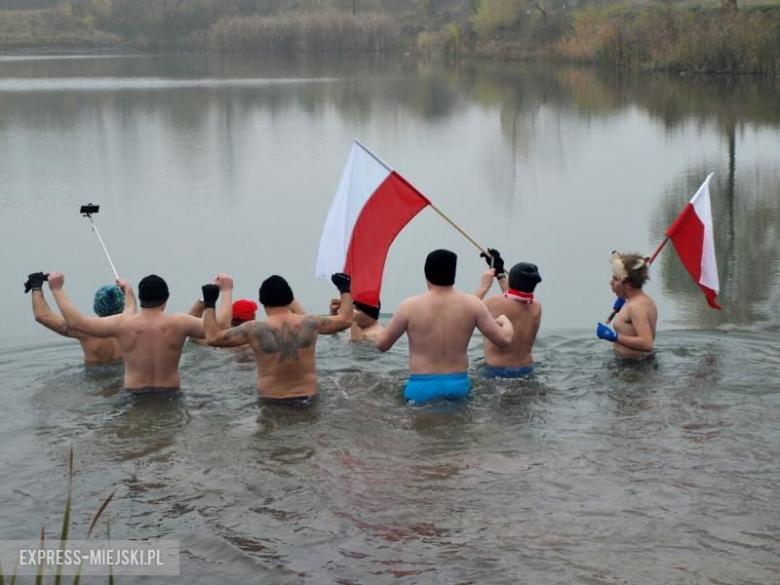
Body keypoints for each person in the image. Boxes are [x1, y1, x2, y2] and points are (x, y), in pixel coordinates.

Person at [49, 272, 232, 391]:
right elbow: (220, 327)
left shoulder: (123, 324)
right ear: (166, 299)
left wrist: (56, 289)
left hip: (133, 396)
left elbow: (76, 322)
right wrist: (226, 291)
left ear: (141, 298)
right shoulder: (180, 322)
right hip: (169, 395)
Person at [375, 249, 514, 404]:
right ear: (453, 274)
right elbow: (504, 340)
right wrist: (505, 321)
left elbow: (382, 345)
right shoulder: (473, 305)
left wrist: (377, 330)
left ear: (426, 274)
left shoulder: (409, 306)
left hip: (420, 387)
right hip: (458, 385)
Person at [202, 273, 354, 402]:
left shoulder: (254, 329)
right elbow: (346, 320)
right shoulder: (311, 323)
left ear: (262, 302)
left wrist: (210, 301)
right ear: (289, 300)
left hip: (271, 402)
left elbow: (213, 338)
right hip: (309, 399)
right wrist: (344, 288)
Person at [24, 271, 136, 365]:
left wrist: (36, 286)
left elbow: (41, 315)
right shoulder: (134, 327)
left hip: (95, 383)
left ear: (97, 306)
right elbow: (131, 307)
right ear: (122, 303)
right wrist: (128, 291)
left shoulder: (85, 331)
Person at [474, 249, 543, 377]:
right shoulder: (536, 307)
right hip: (527, 370)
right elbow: (516, 299)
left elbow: (467, 309)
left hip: (496, 372)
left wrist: (484, 285)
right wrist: (500, 273)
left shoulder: (494, 302)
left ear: (512, 280)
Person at [596, 251, 657, 358]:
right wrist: (625, 299)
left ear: (628, 283)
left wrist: (614, 337)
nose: (610, 283)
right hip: (633, 363)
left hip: (634, 367)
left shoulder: (636, 307)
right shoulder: (642, 300)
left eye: (615, 279)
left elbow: (647, 344)